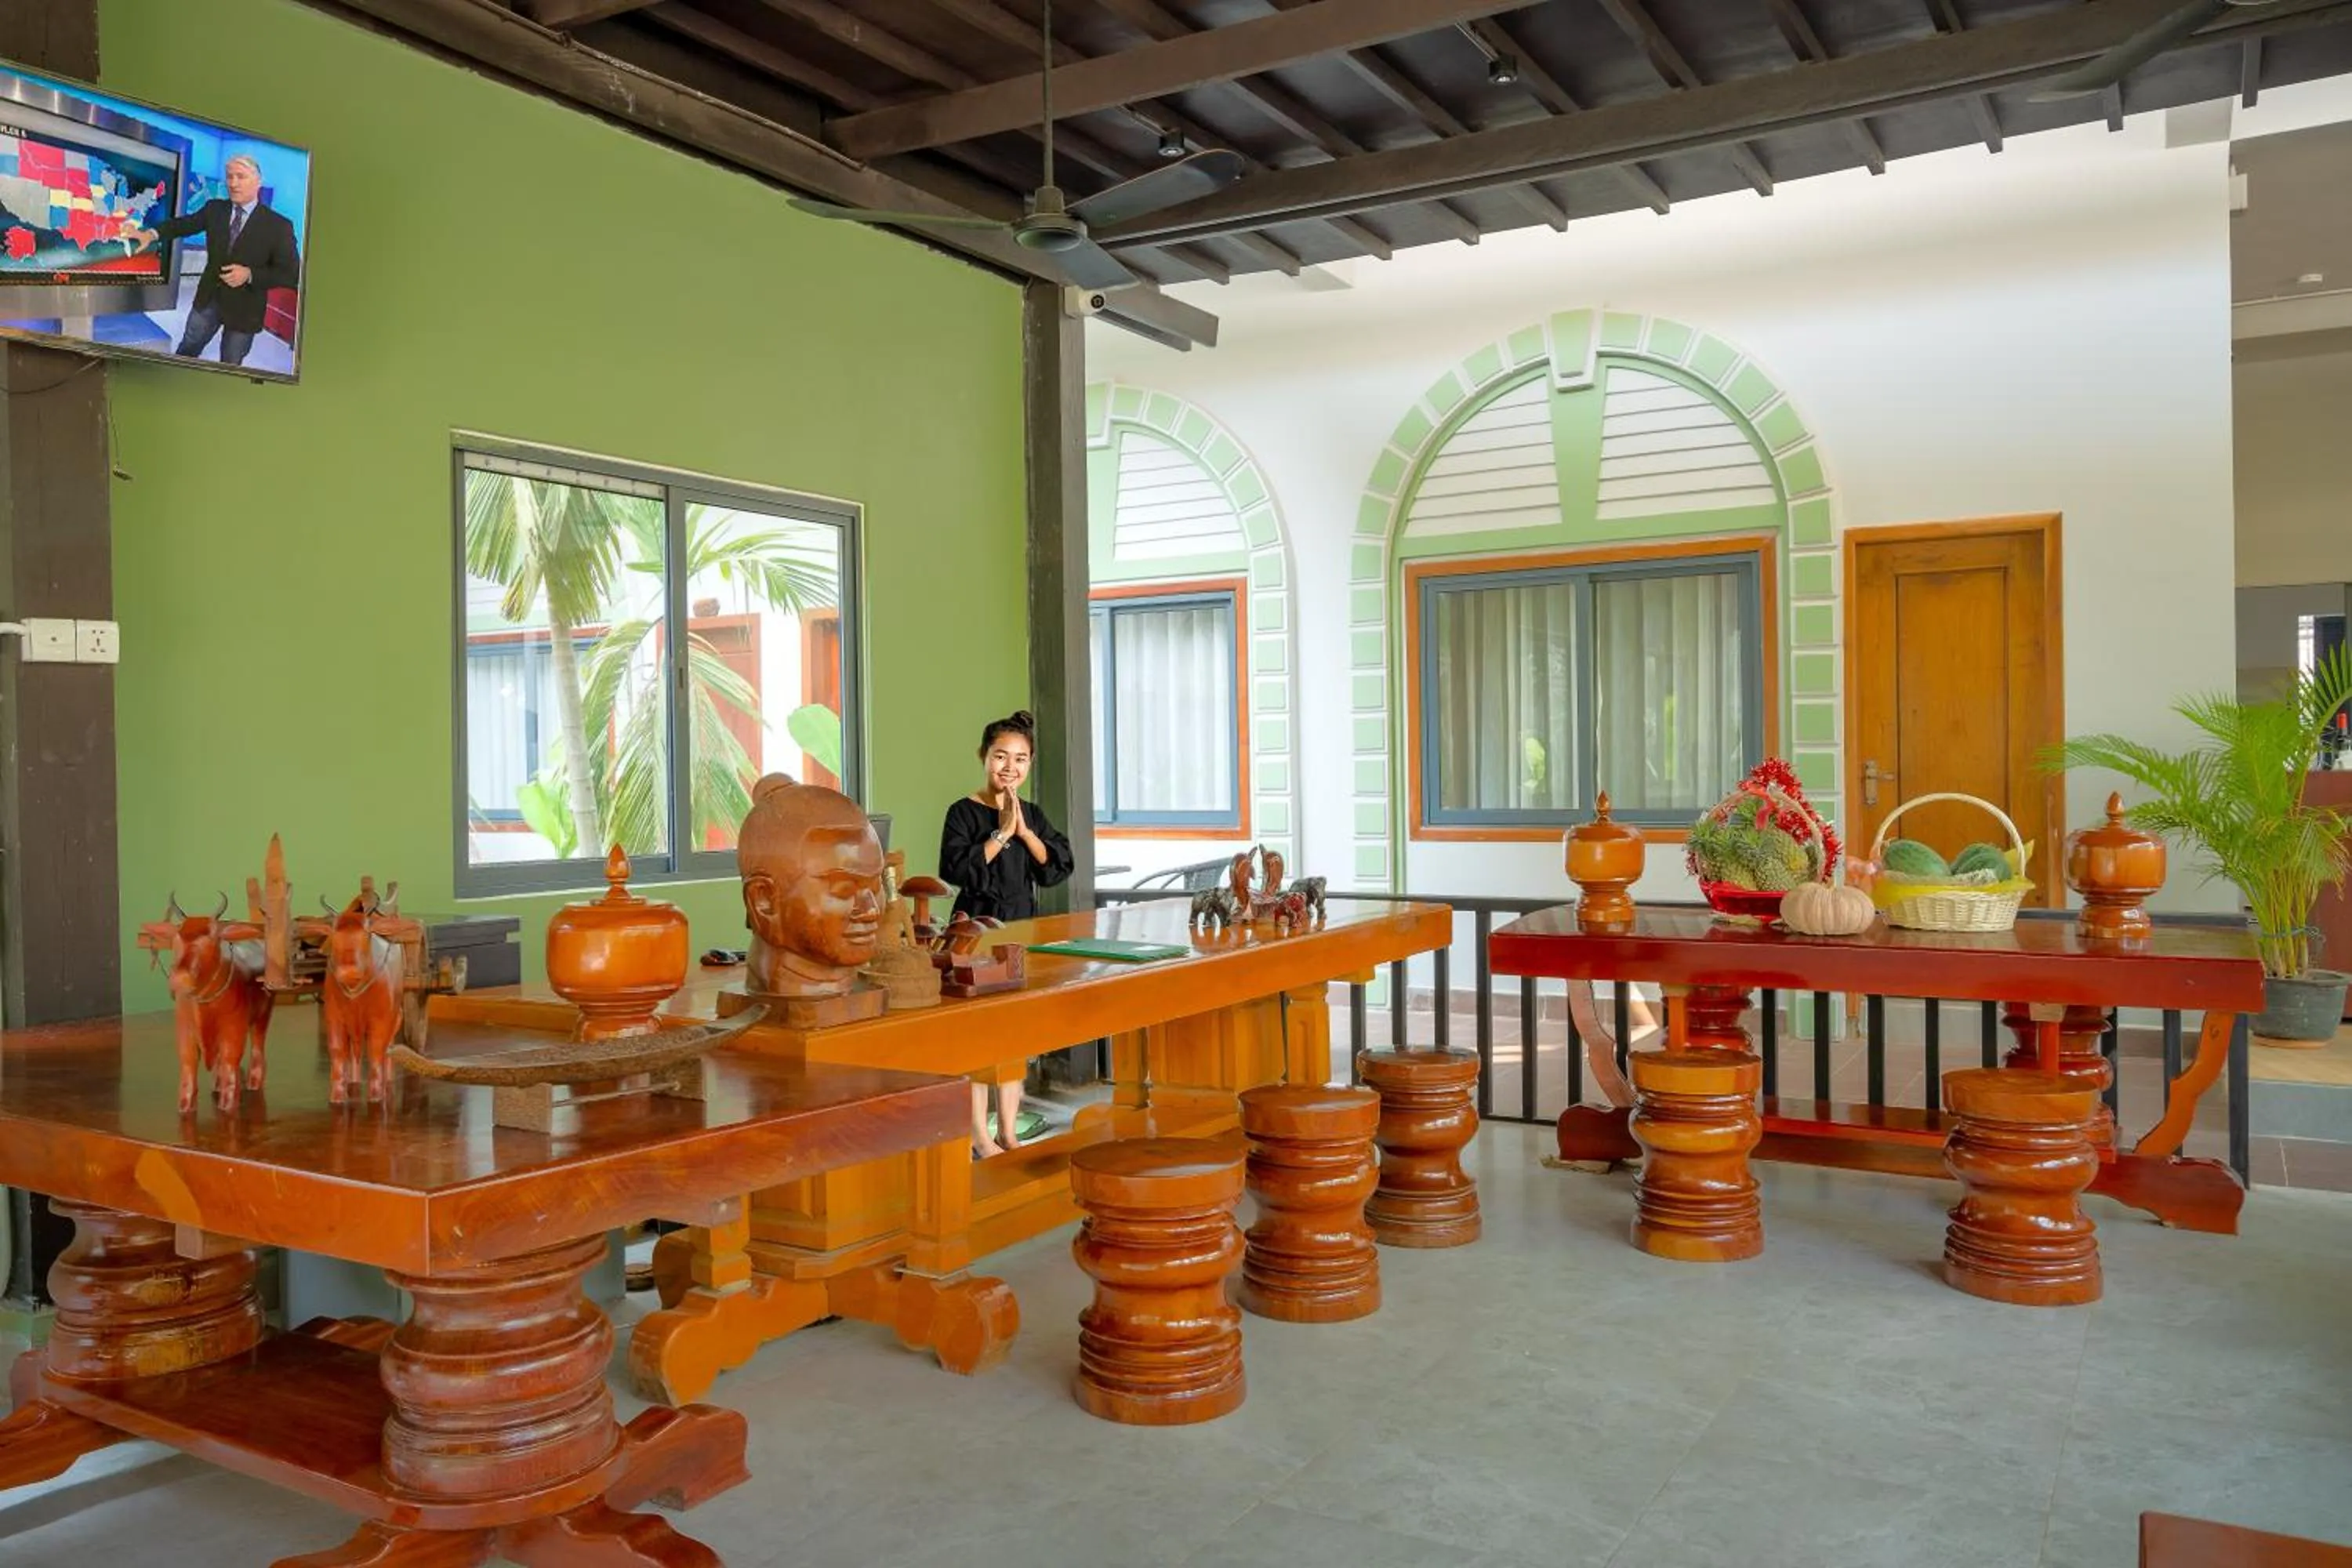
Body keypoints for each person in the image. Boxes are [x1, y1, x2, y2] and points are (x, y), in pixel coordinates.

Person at [938, 709, 1074, 1157]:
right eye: (1000, 757)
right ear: (984, 757)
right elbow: (955, 870)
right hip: (975, 935)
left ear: (1029, 764)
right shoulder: (962, 812)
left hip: (1019, 934)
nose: (1009, 768)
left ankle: (1010, 1133)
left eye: (1019, 759)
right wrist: (999, 835)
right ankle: (979, 1134)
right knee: (980, 1038)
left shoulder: (1030, 813)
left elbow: (1057, 867)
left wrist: (1024, 832)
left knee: (1014, 1036)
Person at [125, 154, 299, 367]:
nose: (233, 183)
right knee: (187, 350)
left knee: (231, 364)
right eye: (229, 177)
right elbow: (184, 225)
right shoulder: (215, 209)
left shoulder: (279, 226)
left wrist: (250, 274)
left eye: (240, 177)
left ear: (258, 182)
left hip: (245, 310)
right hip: (208, 300)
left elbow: (290, 272)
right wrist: (151, 234)